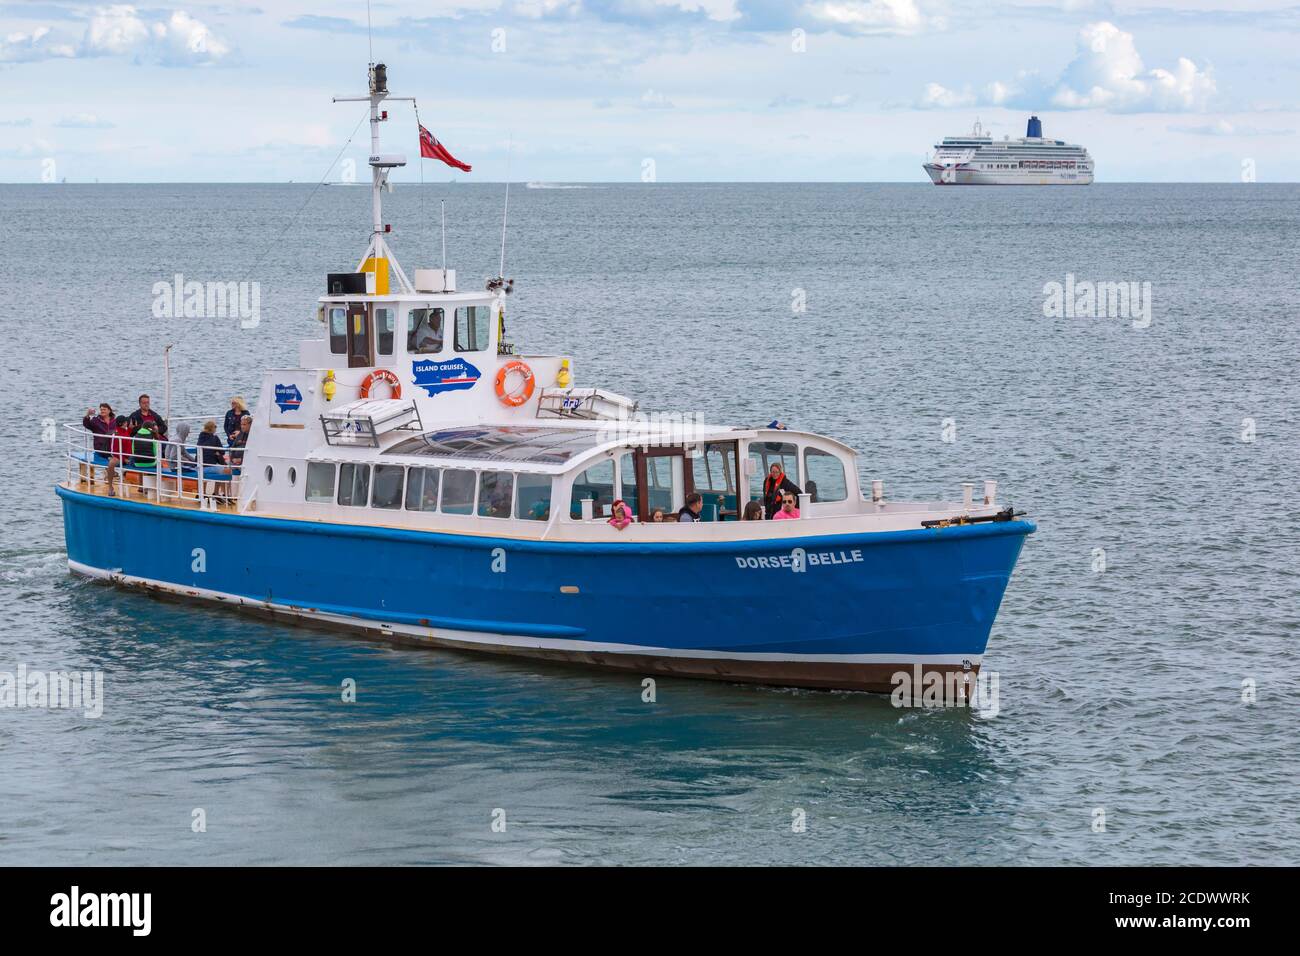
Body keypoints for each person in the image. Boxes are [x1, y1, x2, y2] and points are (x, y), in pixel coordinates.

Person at [104, 415, 133, 495]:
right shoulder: (115, 434)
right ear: (123, 423)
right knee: (111, 463)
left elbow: (129, 430)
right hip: (119, 457)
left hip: (129, 456)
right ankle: (110, 487)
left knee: (142, 458)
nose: (127, 423)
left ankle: (141, 487)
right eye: (126, 422)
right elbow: (113, 452)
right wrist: (124, 459)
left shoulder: (126, 430)